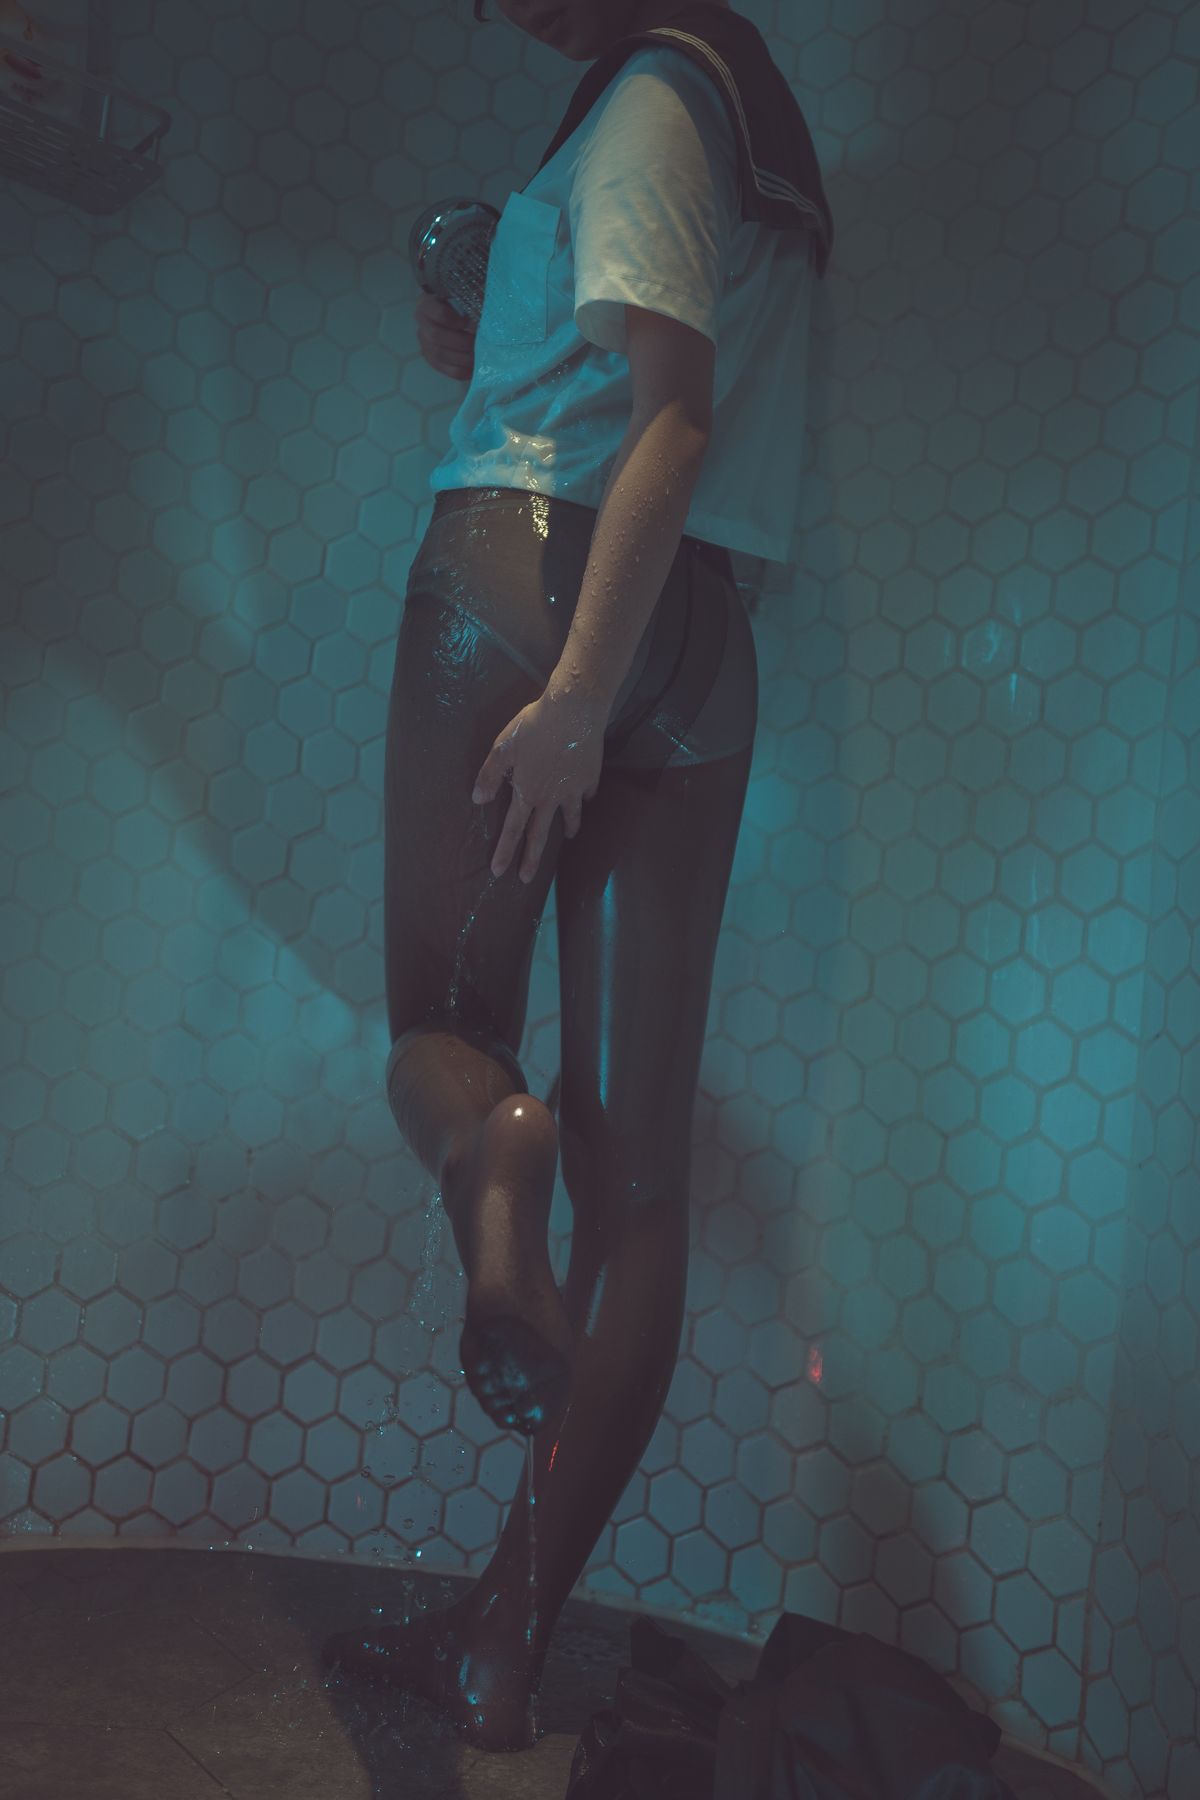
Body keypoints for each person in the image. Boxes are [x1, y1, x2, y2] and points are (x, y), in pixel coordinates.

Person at [322, 0, 832, 1752]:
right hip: (706, 632)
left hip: (539, 583)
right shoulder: (756, 128)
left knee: (442, 1031)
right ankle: (503, 1641)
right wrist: (494, 333)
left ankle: (491, 1152)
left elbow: (663, 427)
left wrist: (573, 703)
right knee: (642, 1182)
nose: (503, 5)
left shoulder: (652, 103)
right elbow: (664, 396)